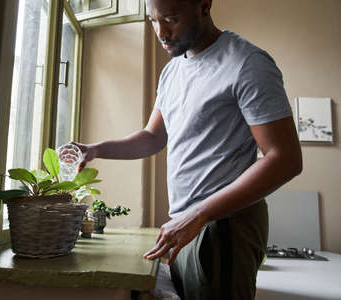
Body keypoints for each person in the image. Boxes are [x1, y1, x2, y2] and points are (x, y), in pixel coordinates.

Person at [71, 0, 302, 299]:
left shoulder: (247, 63)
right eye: (153, 20)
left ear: (204, 5)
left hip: (224, 225)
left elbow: (285, 159)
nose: (161, 32)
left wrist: (198, 215)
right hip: (185, 222)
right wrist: (95, 149)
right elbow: (153, 137)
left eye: (171, 18)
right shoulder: (172, 71)